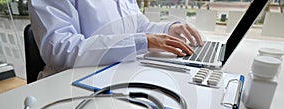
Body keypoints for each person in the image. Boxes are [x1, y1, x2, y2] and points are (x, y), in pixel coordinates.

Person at [28, 0, 203, 78]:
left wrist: (168, 29)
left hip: (119, 75)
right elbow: (61, 49)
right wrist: (142, 42)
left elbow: (139, 26)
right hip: (69, 84)